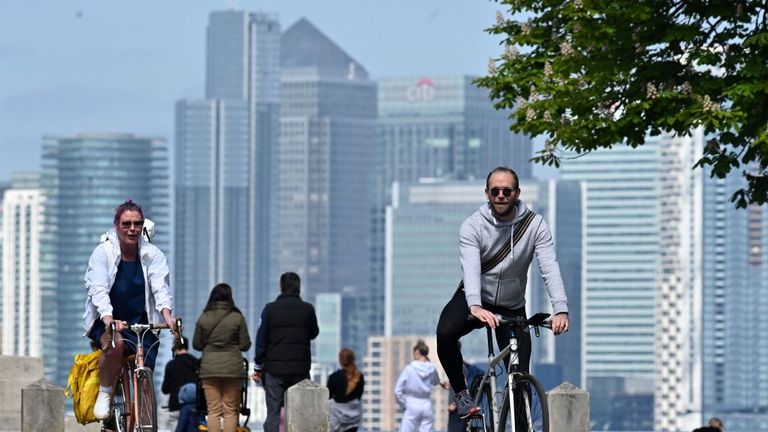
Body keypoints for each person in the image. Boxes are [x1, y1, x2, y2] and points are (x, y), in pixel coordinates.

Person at [436, 167, 569, 418]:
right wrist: (475, 307)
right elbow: (472, 270)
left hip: (511, 305)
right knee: (445, 332)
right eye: (495, 191)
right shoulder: (472, 226)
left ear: (517, 193)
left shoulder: (535, 225)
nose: (500, 195)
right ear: (486, 193)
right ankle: (463, 395)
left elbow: (549, 268)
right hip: (474, 299)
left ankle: (521, 422)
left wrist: (561, 308)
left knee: (519, 376)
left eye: (506, 191)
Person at [83, 200, 175, 420]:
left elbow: (160, 287)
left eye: (137, 223)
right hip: (109, 322)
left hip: (141, 324)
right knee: (117, 343)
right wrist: (108, 319)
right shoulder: (102, 252)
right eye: (126, 224)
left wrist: (168, 316)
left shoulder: (153, 254)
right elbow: (98, 288)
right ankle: (105, 391)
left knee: (146, 369)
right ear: (116, 225)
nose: (132, 229)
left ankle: (144, 417)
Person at [251, 272, 319, 432]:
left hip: (274, 371)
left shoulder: (270, 310)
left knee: (273, 413)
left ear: (281, 287)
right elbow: (313, 333)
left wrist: (258, 367)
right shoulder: (308, 309)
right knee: (300, 414)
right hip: (300, 370)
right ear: (299, 288)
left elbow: (261, 340)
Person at [192, 283, 251, 432]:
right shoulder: (237, 318)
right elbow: (245, 345)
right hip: (233, 368)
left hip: (209, 368)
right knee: (231, 411)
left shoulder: (204, 317)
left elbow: (197, 345)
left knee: (213, 411)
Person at [394, 339, 448, 432]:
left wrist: (404, 405)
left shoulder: (410, 369)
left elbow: (397, 391)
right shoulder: (431, 368)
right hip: (426, 405)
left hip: (412, 403)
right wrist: (442, 384)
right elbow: (436, 381)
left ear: (417, 352)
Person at [161, 336, 198, 431]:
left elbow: (165, 390)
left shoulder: (171, 365)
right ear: (187, 347)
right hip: (195, 406)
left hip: (176, 406)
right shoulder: (196, 362)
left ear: (174, 348)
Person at [446, 343, 483, 432]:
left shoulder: (457, 366)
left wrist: (453, 404)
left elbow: (462, 384)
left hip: (458, 408)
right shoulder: (462, 365)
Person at [327, 348, 365, 432]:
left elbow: (328, 396)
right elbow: (359, 396)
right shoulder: (360, 376)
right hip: (353, 419)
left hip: (336, 419)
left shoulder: (334, 377)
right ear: (353, 359)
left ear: (340, 360)